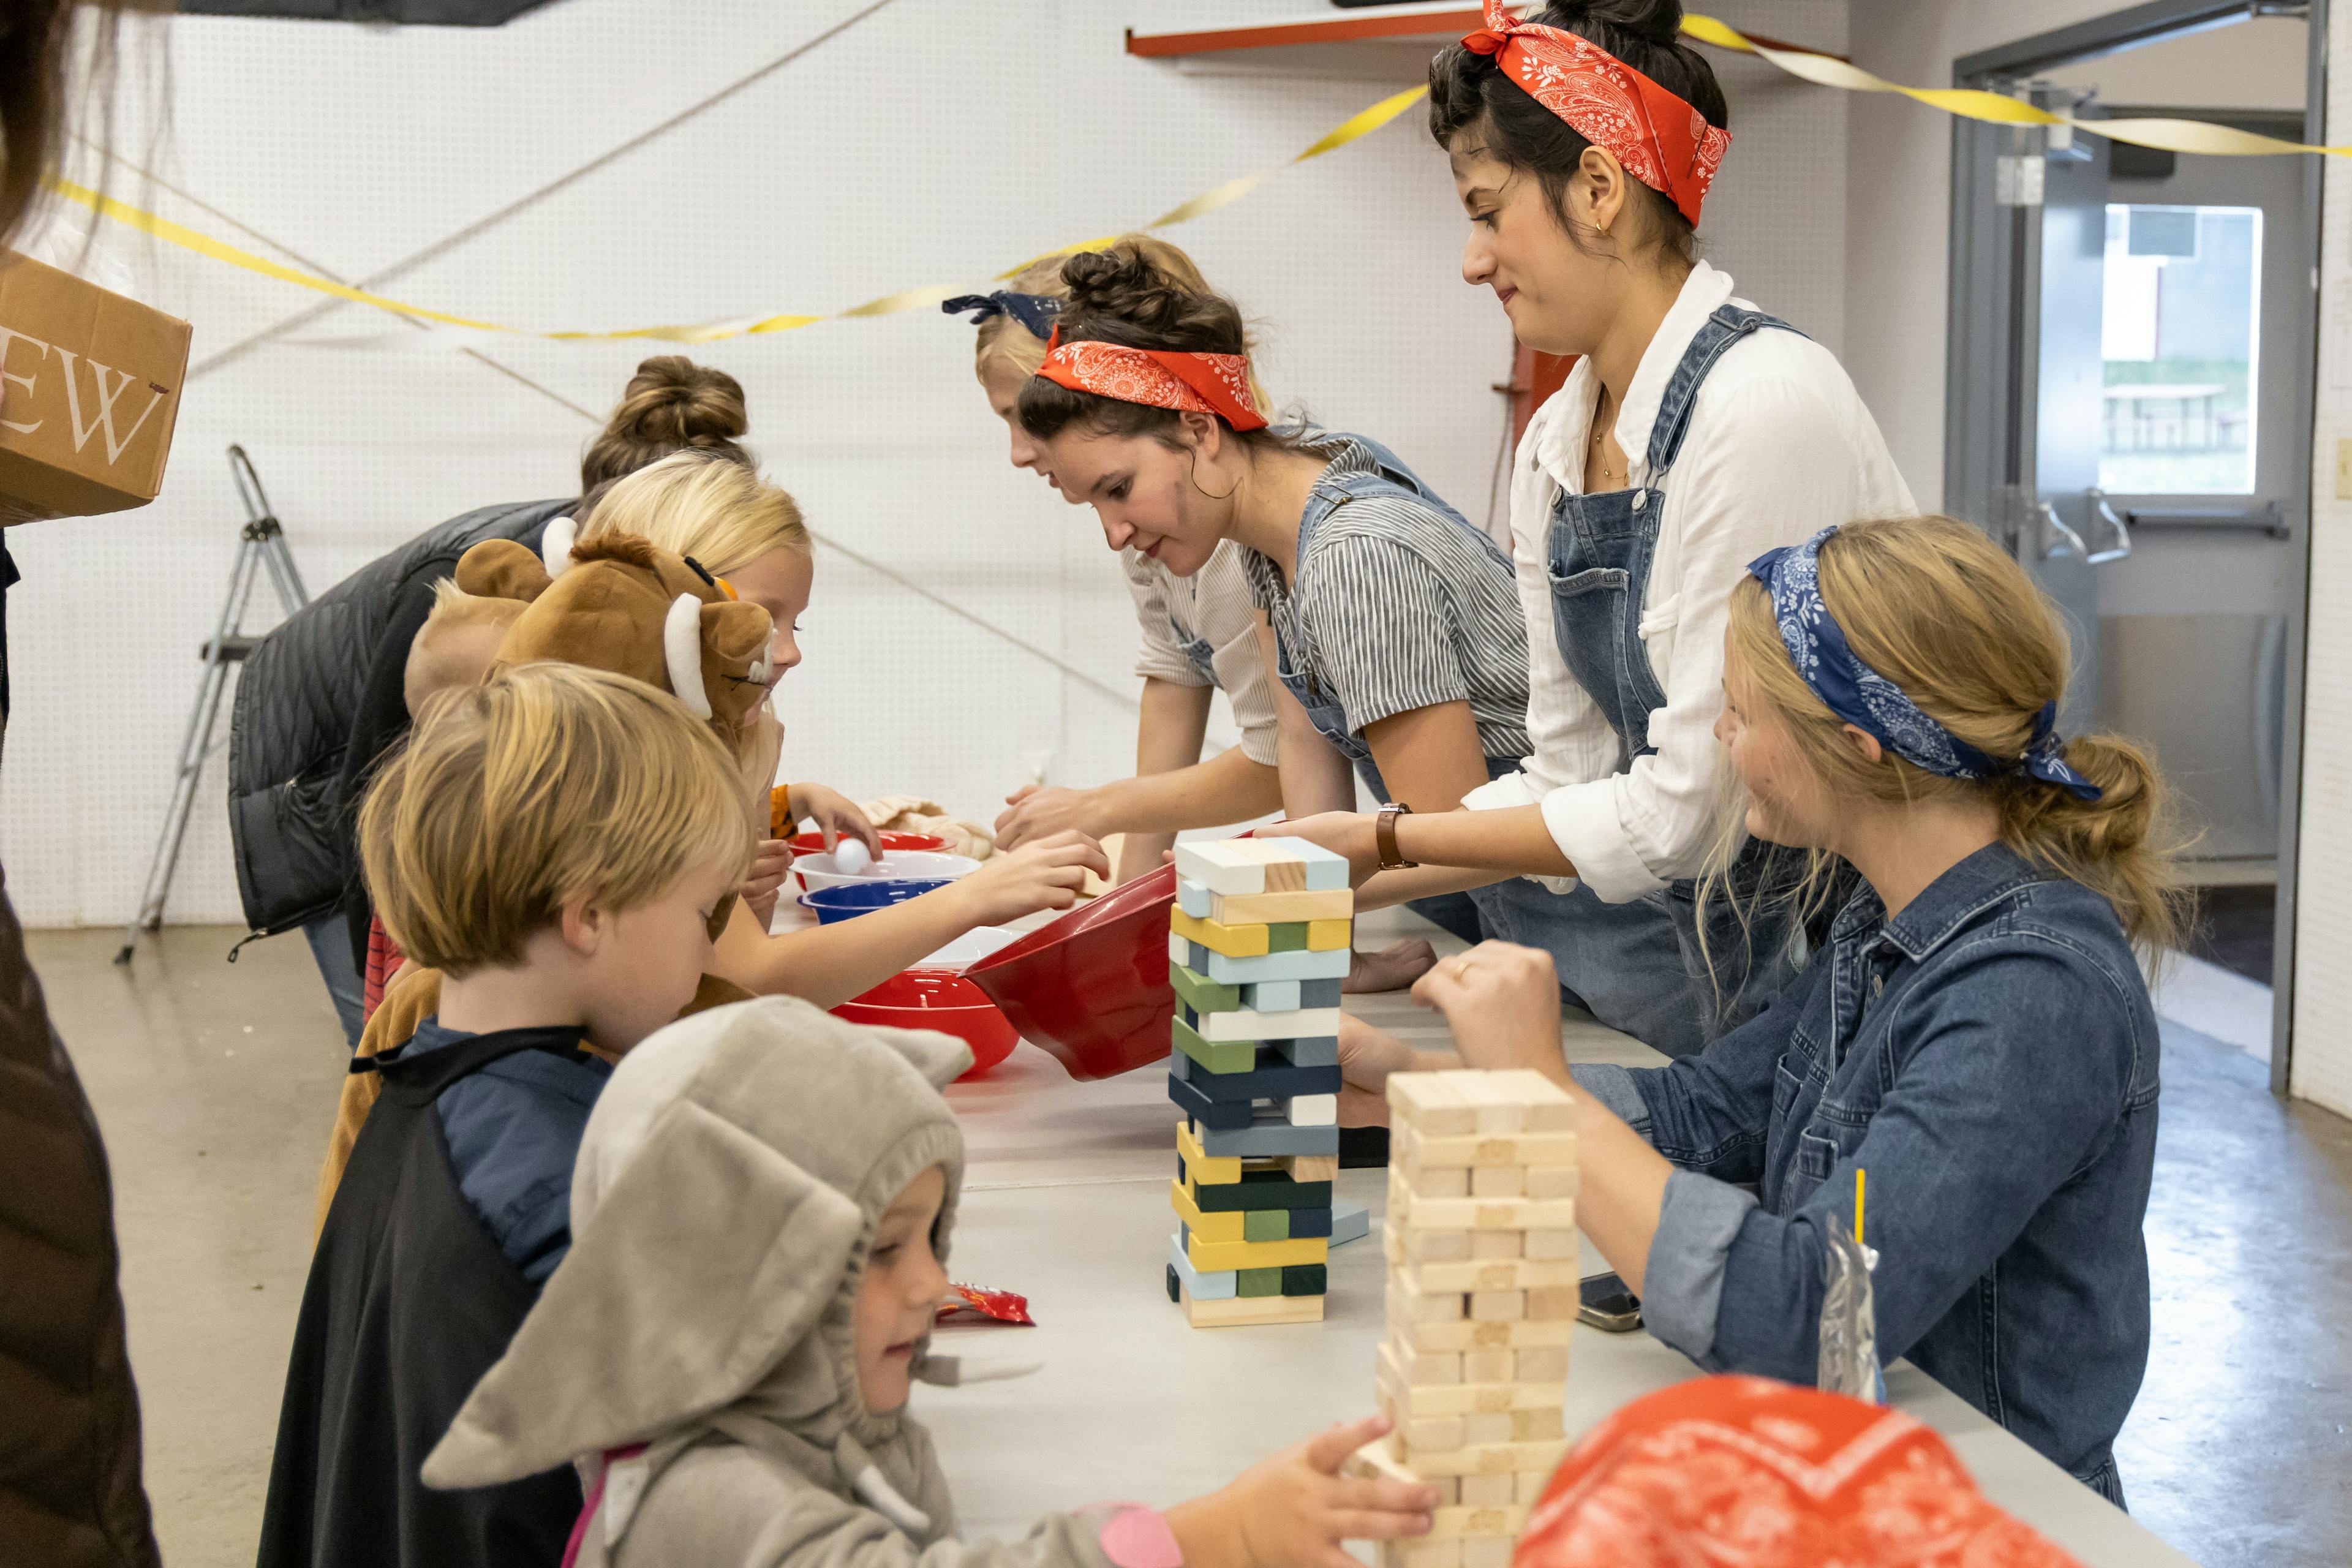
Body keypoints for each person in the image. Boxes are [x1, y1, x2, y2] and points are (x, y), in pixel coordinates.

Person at [1343, 516, 2179, 1504]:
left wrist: (1541, 1100)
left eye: (1740, 713)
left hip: (1990, 1511)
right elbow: (1711, 1115)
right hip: (1850, 1476)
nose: (1719, 737)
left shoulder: (2032, 994)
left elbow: (1817, 1323)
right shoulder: (1889, 916)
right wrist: (1412, 1089)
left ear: (1858, 747)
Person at [1265, 0, 1915, 1057]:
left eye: (1486, 212)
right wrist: (1320, 865)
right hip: (1713, 968)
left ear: (1600, 190)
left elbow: (1693, 811)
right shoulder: (1558, 442)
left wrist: (1384, 840)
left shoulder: (1759, 407)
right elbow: (1565, 772)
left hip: (1847, 961)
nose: (1474, 261)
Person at [420, 993, 1440, 1568]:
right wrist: (1210, 1537)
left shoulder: (828, 1424)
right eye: (882, 1251)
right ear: (729, 1260)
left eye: (931, 1240)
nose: (933, 1288)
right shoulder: (704, 1504)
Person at [259, 663, 755, 1568]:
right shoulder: (569, 1178)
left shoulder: (418, 1096)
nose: (710, 944)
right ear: (589, 913)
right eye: (698, 909)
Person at [1019, 248, 1558, 964]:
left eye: (1118, 489)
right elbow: (1305, 754)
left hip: (1609, 930)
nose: (1114, 531)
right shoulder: (1274, 536)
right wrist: (1308, 943)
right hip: (1529, 926)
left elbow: (1456, 836)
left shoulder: (1353, 556)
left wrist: (1233, 894)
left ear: (1198, 430)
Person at [229, 354, 759, 1047]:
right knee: (403, 1039)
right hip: (321, 782)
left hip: (385, 788)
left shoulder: (610, 593)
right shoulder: (470, 594)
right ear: (656, 536)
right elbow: (384, 798)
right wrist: (399, 1010)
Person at [956, 242, 1432, 994]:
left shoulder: (1238, 527)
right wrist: (1123, 897)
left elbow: (1288, 761)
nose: (1020, 453)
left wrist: (1103, 807)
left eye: (1028, 420)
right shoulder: (1149, 511)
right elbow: (1176, 674)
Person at [572, 453, 1112, 1005]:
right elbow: (756, 976)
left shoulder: (743, 742)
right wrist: (976, 896)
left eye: (795, 623)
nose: (790, 652)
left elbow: (729, 974)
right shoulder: (618, 765)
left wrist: (740, 895)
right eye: (763, 619)